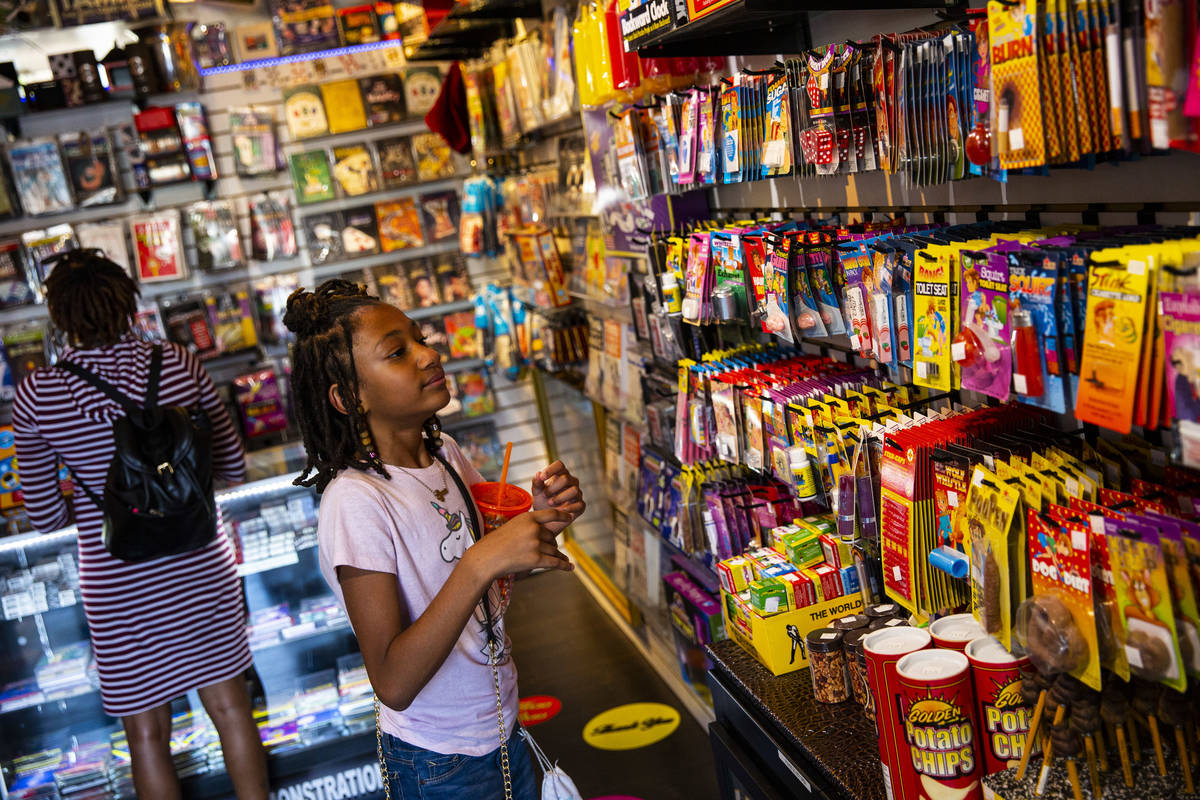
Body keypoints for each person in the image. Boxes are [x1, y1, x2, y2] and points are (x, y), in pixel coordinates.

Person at [283, 279, 585, 799]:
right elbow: (394, 682)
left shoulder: (443, 452)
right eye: (398, 353)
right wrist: (480, 562)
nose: (429, 354)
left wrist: (536, 523)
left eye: (421, 338)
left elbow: (491, 576)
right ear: (348, 396)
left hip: (503, 724)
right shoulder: (356, 502)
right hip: (438, 763)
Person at [12, 250, 269, 800]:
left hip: (118, 580)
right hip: (202, 562)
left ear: (59, 315)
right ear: (128, 301)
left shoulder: (38, 395)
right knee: (230, 706)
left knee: (147, 733)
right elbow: (232, 465)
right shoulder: (177, 361)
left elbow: (45, 517)